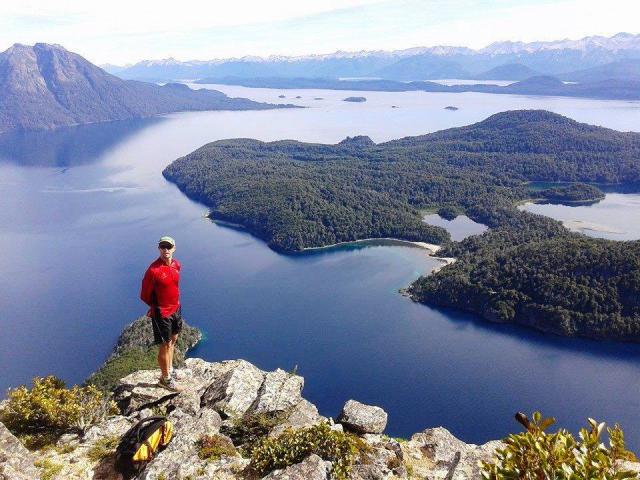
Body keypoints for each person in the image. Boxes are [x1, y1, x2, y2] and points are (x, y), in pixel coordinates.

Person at [140, 236, 184, 392]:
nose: (166, 249)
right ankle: (165, 380)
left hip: (176, 308)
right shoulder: (153, 270)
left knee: (173, 340)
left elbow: (174, 285)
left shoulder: (177, 265)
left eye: (168, 246)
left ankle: (170, 370)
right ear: (158, 248)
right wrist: (155, 307)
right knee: (165, 345)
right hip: (162, 312)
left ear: (174, 248)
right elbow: (144, 294)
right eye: (162, 246)